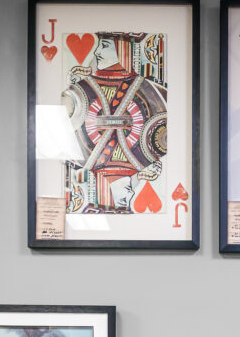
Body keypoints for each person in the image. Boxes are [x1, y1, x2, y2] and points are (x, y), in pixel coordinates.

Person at [62, 32, 167, 213]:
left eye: (103, 46)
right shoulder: (80, 88)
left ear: (121, 51)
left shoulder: (153, 92)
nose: (96, 53)